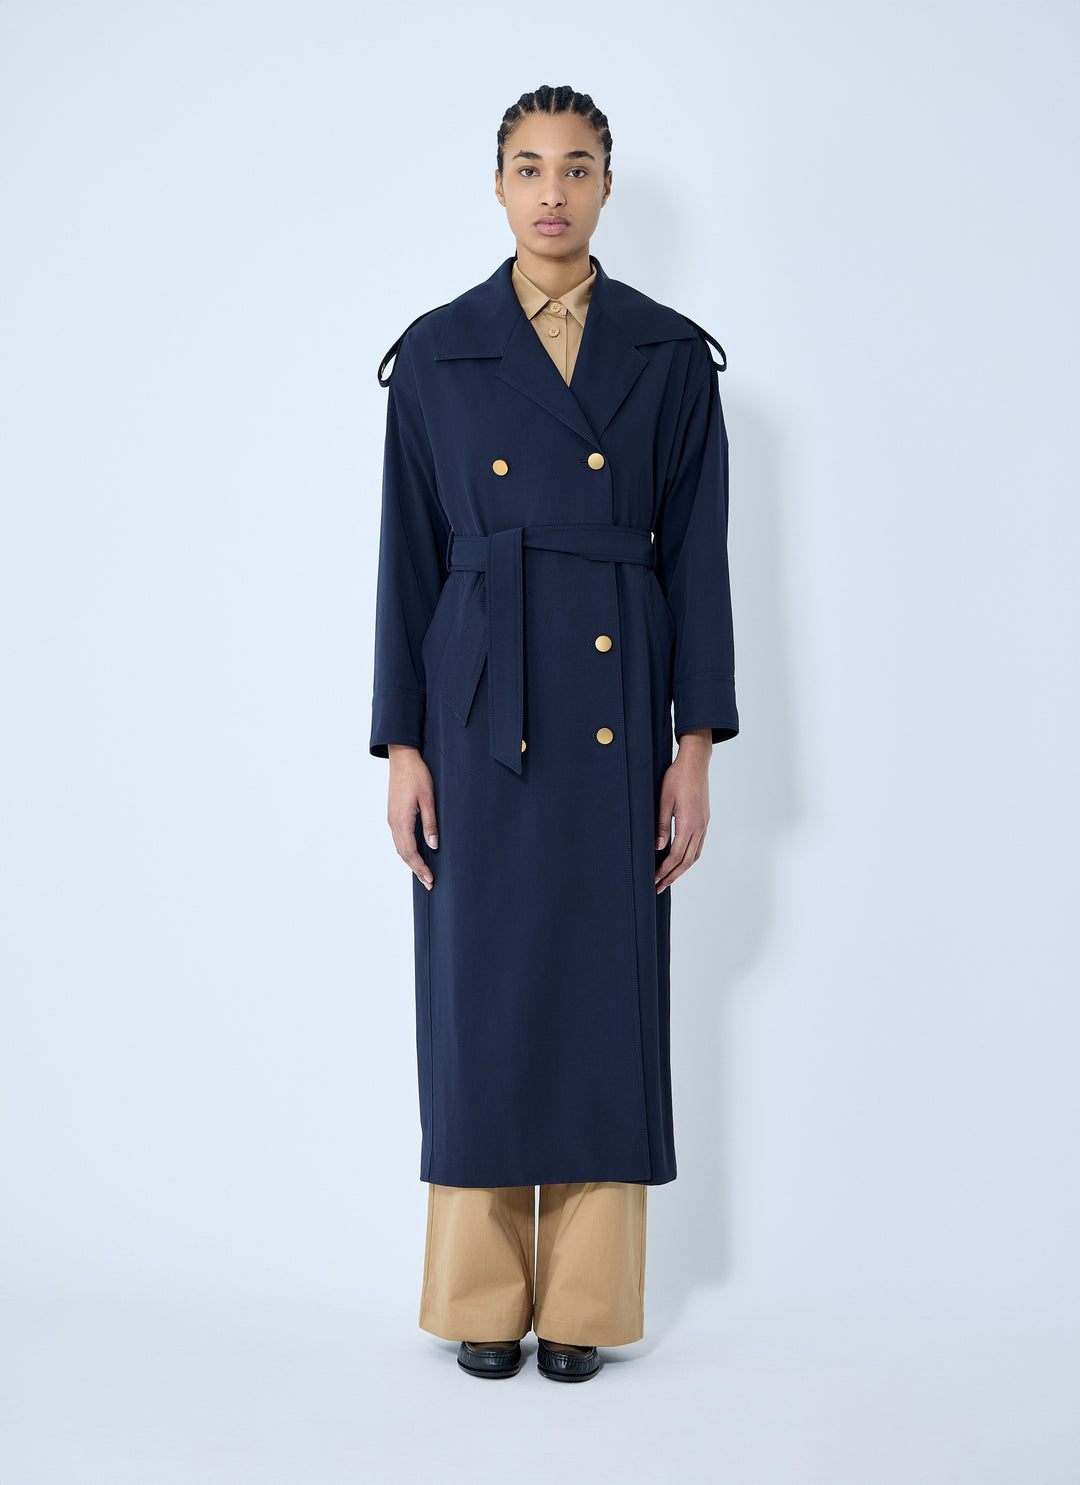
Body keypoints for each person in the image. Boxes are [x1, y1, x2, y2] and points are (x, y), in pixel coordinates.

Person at [369, 84, 738, 1383]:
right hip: (476, 709)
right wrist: (403, 746)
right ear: (497, 184)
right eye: (529, 167)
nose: (552, 192)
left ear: (607, 185)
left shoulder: (668, 355)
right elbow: (406, 565)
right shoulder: (438, 352)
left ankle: (584, 1296)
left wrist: (694, 745)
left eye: (577, 167)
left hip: (615, 710)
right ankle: (478, 1291)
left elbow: (697, 565)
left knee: (600, 986)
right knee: (479, 984)